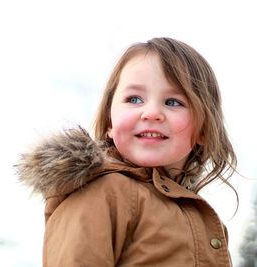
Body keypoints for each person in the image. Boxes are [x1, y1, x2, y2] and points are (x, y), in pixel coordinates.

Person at [16, 37, 237, 266]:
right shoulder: (102, 191)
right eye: (134, 99)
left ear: (204, 129)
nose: (151, 113)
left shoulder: (205, 218)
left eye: (172, 102)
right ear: (110, 123)